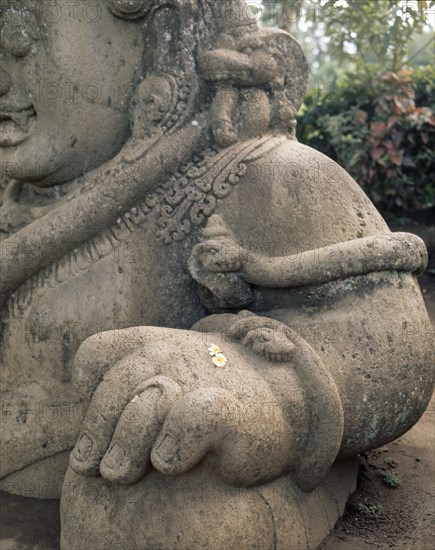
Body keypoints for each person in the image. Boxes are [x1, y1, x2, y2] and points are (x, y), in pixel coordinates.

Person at [1, 1, 433, 548]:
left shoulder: (265, 174)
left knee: (151, 517)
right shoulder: (18, 191)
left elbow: (393, 336)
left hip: (162, 459)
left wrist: (267, 387)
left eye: (19, 36)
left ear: (155, 33)